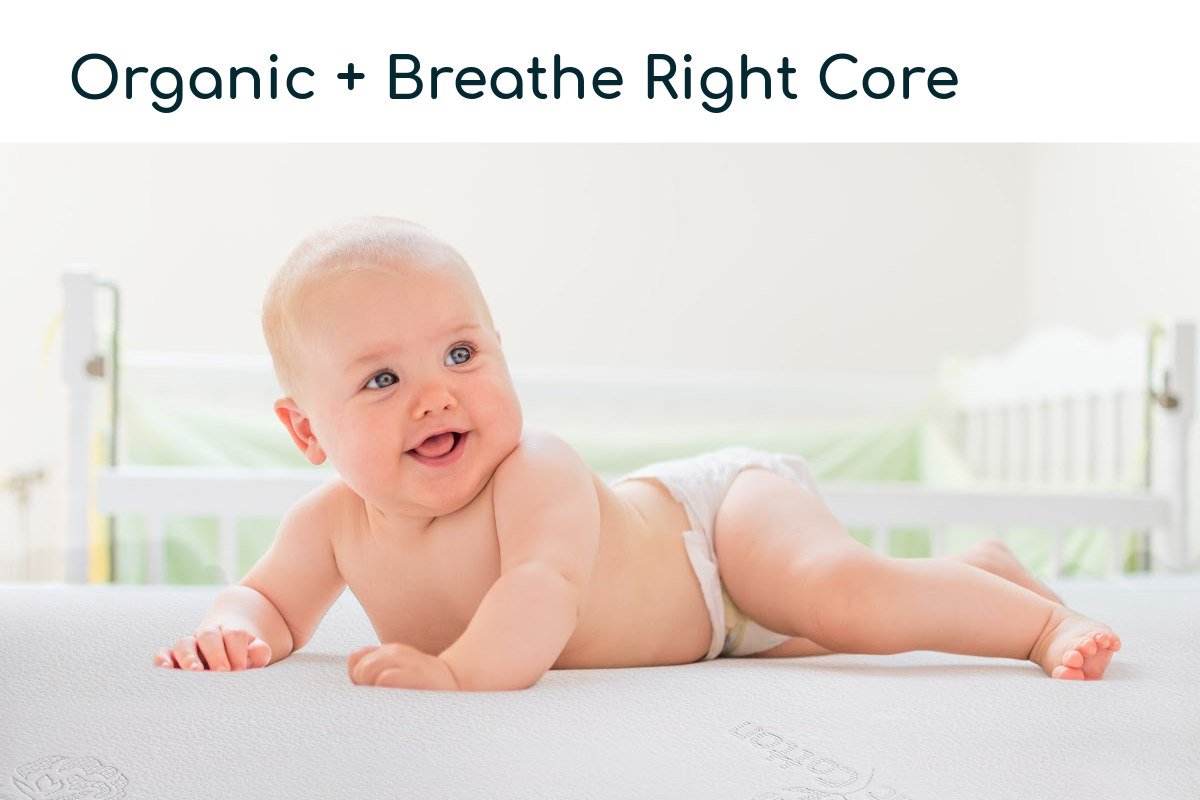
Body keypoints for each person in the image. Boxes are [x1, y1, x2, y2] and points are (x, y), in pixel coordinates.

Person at [154, 217, 1120, 690]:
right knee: (827, 626)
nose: (437, 394)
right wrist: (233, 629)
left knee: (845, 598)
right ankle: (978, 574)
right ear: (307, 432)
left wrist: (459, 676)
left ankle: (1038, 627)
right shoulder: (328, 525)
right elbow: (269, 600)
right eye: (381, 380)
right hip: (711, 630)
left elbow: (541, 595)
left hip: (715, 529)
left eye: (460, 353)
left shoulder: (535, 472)